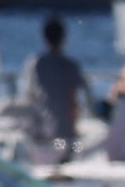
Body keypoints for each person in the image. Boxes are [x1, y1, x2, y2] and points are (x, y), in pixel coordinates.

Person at [21, 16, 91, 154]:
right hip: (64, 131)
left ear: (44, 37)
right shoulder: (70, 66)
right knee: (71, 146)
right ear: (63, 37)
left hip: (41, 129)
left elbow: (30, 95)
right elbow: (72, 100)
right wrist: (74, 131)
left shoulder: (35, 64)